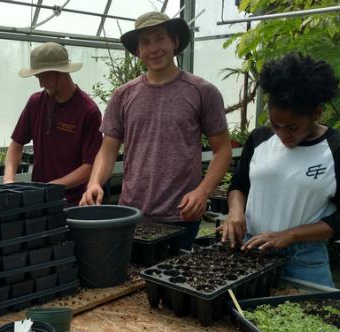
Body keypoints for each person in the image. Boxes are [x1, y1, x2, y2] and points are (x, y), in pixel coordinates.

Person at [80, 11, 232, 249]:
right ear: (138, 51)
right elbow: (107, 150)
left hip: (181, 213)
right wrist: (94, 183)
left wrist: (203, 192)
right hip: (132, 211)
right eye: (145, 42)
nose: (153, 48)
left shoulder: (202, 91)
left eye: (160, 38)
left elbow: (222, 150)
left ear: (175, 41)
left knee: (172, 282)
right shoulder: (123, 95)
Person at [219, 53, 340, 287]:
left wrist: (290, 235)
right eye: (275, 124)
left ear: (316, 113)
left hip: (303, 259)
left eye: (293, 127)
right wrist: (235, 214)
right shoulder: (259, 139)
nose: (282, 134)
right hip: (251, 249)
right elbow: (238, 185)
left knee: (313, 320)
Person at [3, 42, 103, 204]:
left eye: (44, 77)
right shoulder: (36, 102)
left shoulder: (87, 111)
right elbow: (16, 144)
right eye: (38, 77)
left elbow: (90, 166)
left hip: (74, 202)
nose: (41, 83)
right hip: (40, 200)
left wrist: (53, 186)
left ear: (62, 72)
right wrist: (9, 179)